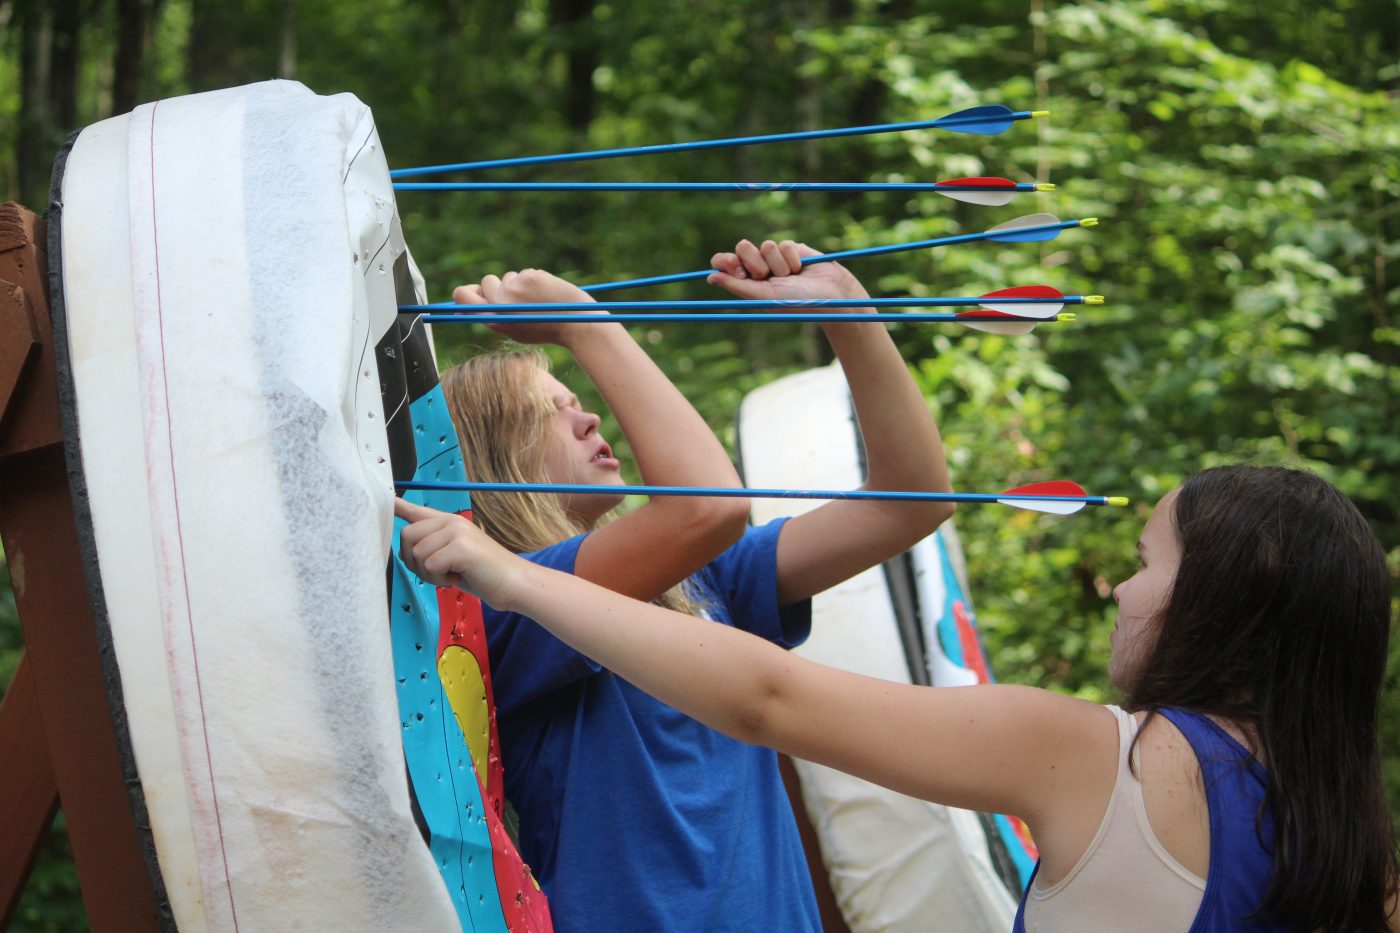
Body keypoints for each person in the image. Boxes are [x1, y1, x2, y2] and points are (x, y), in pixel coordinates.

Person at [396, 465, 1399, 933]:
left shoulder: (1100, 758)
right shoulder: (1358, 851)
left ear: (1222, 600)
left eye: (1145, 563)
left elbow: (769, 697)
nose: (1125, 592)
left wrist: (513, 578)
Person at [428, 239, 954, 932]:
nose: (589, 418)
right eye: (547, 411)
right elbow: (707, 508)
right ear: (495, 458)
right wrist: (586, 325)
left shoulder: (700, 584)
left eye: (579, 401)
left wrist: (848, 311)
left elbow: (911, 501)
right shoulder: (506, 603)